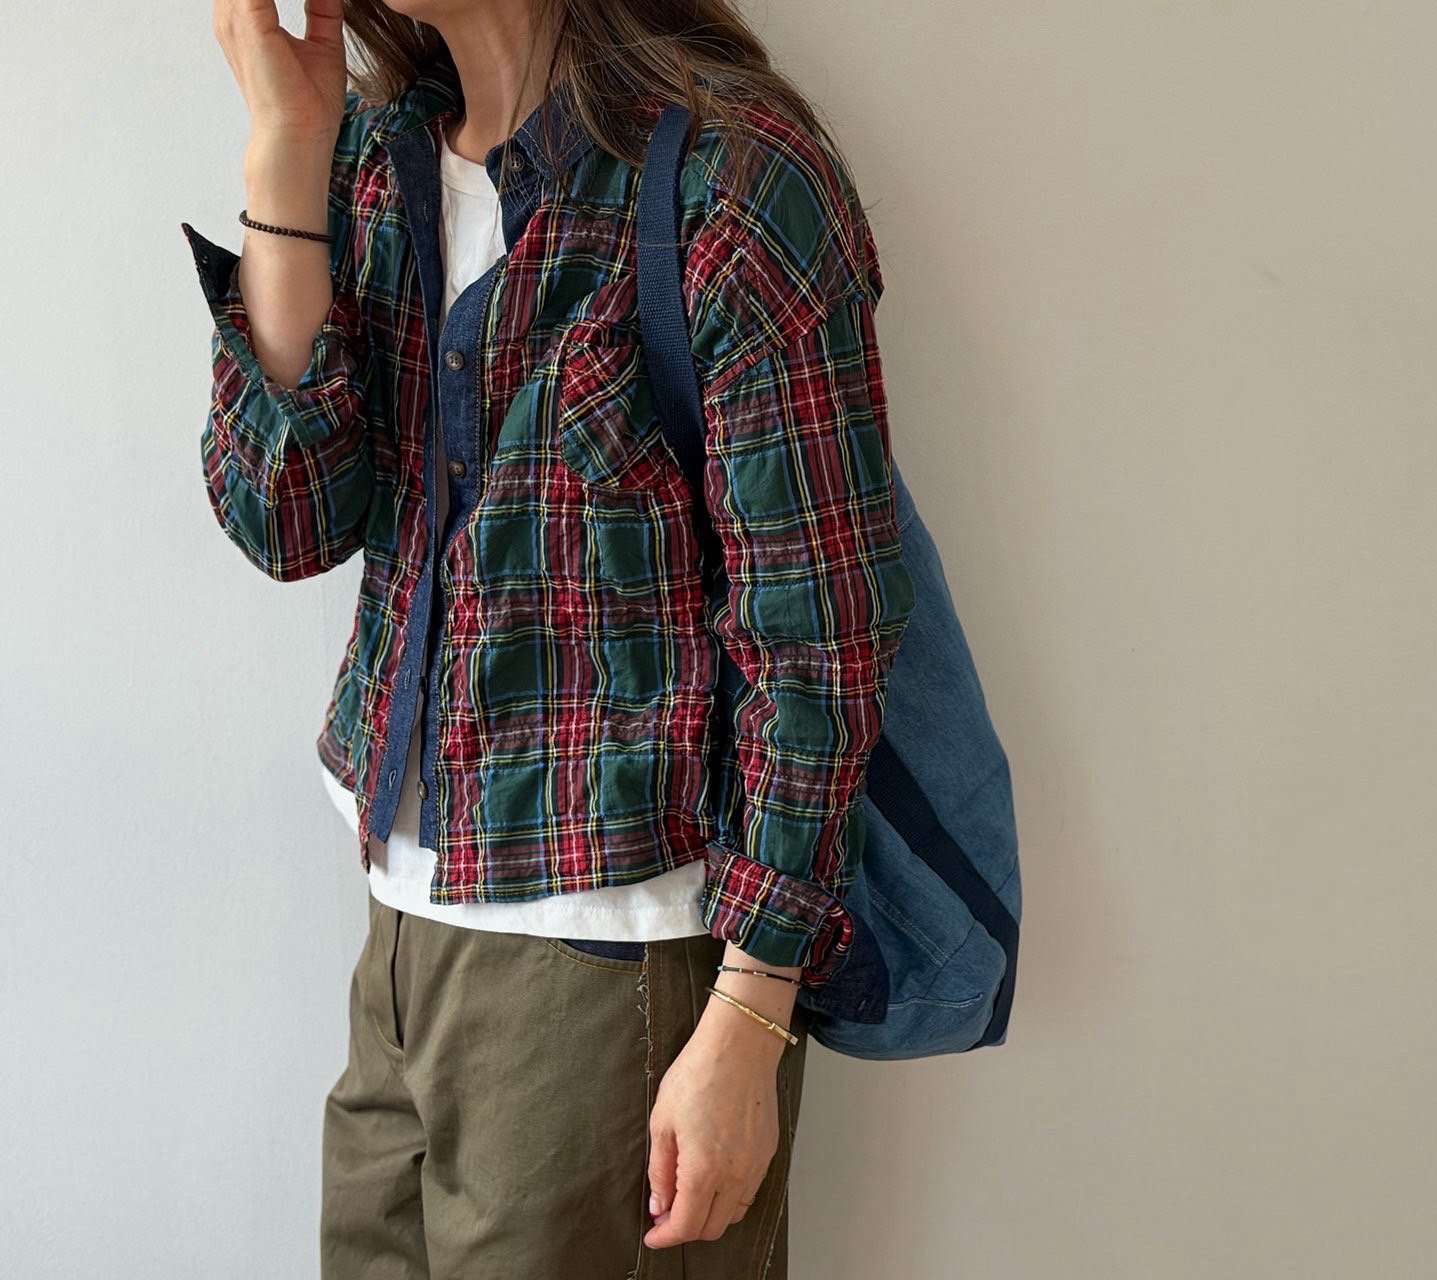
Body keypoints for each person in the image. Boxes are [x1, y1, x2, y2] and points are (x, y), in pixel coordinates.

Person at [182, 0, 915, 1275]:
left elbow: (821, 641)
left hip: (612, 966)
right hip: (399, 933)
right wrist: (287, 152)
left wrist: (751, 1013)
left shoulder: (732, 179)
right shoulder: (380, 163)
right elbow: (285, 515)